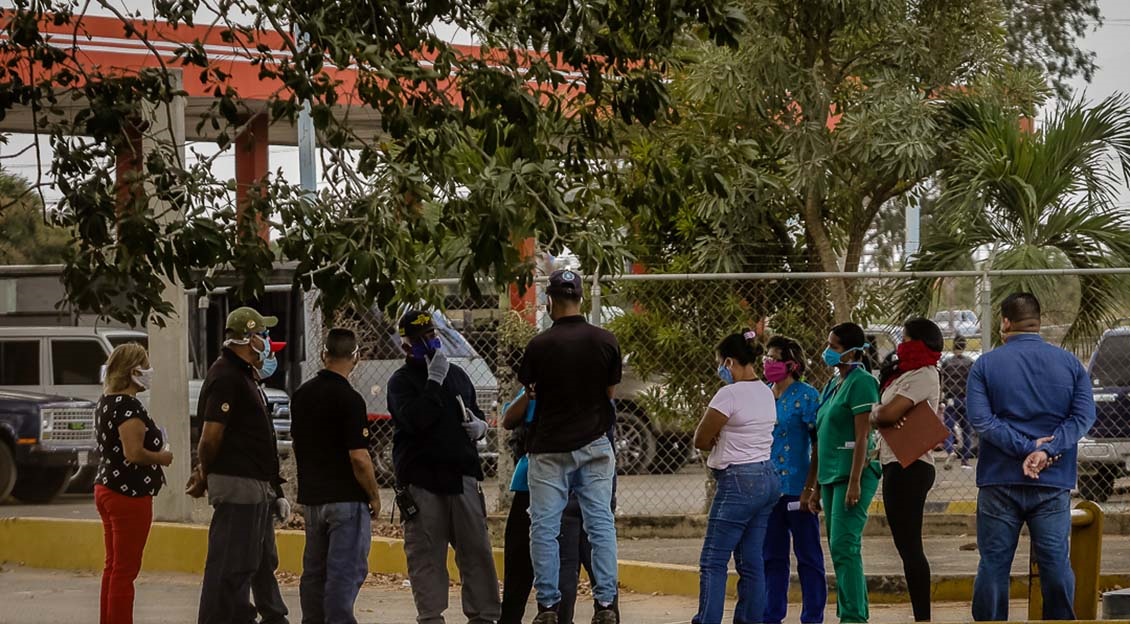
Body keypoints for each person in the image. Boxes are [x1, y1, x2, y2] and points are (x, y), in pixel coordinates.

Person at [968, 293, 1096, 621]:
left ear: (1006, 323)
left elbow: (982, 421)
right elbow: (1083, 418)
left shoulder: (985, 365)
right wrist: (1046, 451)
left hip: (999, 480)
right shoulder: (1069, 364)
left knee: (994, 565)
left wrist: (1027, 448)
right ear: (1038, 321)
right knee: (1055, 564)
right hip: (1052, 482)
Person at [519, 269, 621, 624]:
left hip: (548, 449)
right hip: (595, 445)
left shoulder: (539, 345)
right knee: (600, 524)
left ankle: (549, 606)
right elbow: (609, 395)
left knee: (545, 528)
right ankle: (605, 603)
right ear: (580, 298)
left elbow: (530, 392)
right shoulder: (606, 341)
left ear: (549, 301)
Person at [387, 309, 500, 624]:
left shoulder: (458, 375)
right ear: (405, 345)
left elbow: (473, 413)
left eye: (432, 335)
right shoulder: (401, 382)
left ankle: (484, 615)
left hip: (460, 475)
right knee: (426, 555)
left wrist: (480, 426)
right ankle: (431, 615)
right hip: (422, 481)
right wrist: (433, 381)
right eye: (420, 339)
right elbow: (415, 420)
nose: (430, 342)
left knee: (476, 551)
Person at [187, 306, 290, 624]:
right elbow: (210, 436)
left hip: (254, 484)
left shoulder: (245, 374)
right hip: (237, 483)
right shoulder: (226, 376)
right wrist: (204, 471)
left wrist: (276, 487)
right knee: (231, 565)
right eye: (263, 334)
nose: (267, 341)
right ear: (248, 338)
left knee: (251, 561)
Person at [500, 386, 619, 624]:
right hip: (539, 485)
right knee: (526, 562)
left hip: (557, 487)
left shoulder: (586, 392)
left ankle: (558, 611)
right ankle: (601, 606)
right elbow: (509, 419)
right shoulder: (563, 384)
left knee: (562, 564)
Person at [291, 328, 383, 624]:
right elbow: (359, 457)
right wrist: (374, 494)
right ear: (355, 357)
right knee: (344, 573)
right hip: (346, 500)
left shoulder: (301, 395)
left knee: (315, 573)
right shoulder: (350, 399)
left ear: (324, 355)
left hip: (313, 499)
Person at [691, 330, 780, 624]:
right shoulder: (766, 390)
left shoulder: (729, 394)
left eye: (720, 363)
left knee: (713, 561)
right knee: (751, 562)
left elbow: (701, 439)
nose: (720, 370)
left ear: (729, 361)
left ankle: (707, 620)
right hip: (766, 478)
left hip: (738, 482)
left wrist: (718, 435)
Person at [805, 322, 881, 624]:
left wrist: (854, 482)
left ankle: (853, 617)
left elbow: (863, 435)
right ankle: (853, 611)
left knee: (844, 545)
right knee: (841, 547)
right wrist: (814, 486)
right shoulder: (833, 383)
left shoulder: (862, 382)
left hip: (853, 474)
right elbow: (822, 434)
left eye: (834, 347)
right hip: (831, 474)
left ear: (852, 351)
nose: (828, 352)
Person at [94, 343, 173, 624]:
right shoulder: (128, 407)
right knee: (125, 570)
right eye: (145, 366)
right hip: (128, 494)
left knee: (113, 566)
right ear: (133, 371)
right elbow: (133, 452)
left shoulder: (106, 402)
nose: (149, 372)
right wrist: (162, 457)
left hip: (107, 488)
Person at [872, 318, 944, 622]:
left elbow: (887, 413)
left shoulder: (925, 375)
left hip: (910, 466)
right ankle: (920, 614)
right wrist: (880, 412)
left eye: (906, 339)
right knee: (906, 546)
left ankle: (922, 617)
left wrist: (875, 413)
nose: (900, 346)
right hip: (895, 463)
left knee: (911, 547)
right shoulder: (904, 374)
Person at [761, 336, 826, 624]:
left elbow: (819, 445)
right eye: (766, 358)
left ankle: (812, 617)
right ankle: (771, 614)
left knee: (809, 557)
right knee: (771, 558)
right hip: (767, 491)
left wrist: (811, 488)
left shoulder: (807, 396)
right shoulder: (762, 394)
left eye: (774, 359)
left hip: (798, 490)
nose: (768, 363)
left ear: (792, 365)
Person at [941, 334, 976, 469]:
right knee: (966, 429)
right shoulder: (970, 363)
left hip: (951, 398)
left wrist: (942, 398)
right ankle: (965, 460)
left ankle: (950, 450)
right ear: (965, 346)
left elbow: (942, 382)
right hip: (965, 398)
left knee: (948, 428)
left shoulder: (947, 363)